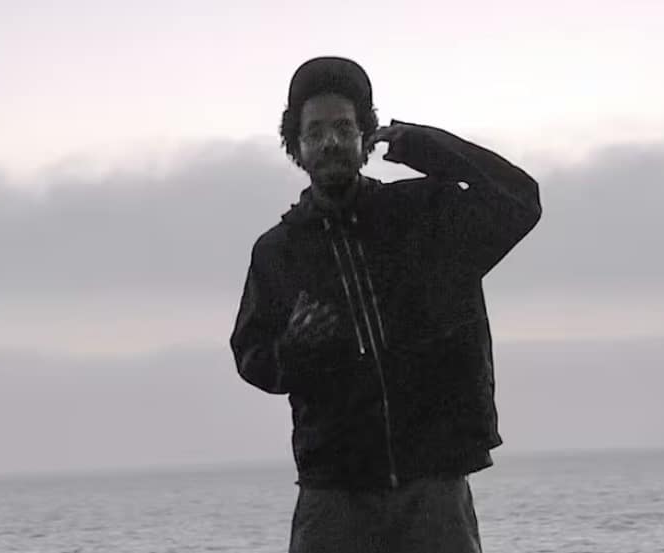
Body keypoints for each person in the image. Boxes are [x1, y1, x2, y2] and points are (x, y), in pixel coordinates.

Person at [229, 56, 541, 552]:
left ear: (365, 136)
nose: (330, 142)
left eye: (343, 128)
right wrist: (294, 350)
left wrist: (423, 145)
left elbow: (520, 200)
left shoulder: (425, 215)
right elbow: (252, 357)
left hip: (433, 486)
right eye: (315, 132)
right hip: (334, 494)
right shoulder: (278, 251)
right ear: (297, 146)